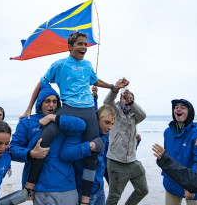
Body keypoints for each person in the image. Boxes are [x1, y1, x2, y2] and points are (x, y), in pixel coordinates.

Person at [21, 31, 129, 204]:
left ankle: (85, 199)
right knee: (43, 140)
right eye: (80, 44)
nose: (84, 47)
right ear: (70, 46)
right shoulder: (59, 65)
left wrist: (112, 86)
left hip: (87, 110)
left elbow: (94, 80)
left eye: (85, 45)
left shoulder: (87, 65)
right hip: (69, 108)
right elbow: (41, 84)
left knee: (93, 153)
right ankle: (30, 185)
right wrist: (28, 108)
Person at [0, 82, 87, 205]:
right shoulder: (27, 122)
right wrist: (30, 154)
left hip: (66, 186)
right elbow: (12, 149)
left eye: (55, 101)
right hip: (39, 187)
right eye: (47, 101)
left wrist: (53, 118)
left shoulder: (64, 120)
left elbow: (81, 125)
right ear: (40, 103)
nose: (51, 105)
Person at [60, 103, 117, 205]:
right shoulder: (81, 132)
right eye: (107, 122)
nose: (110, 127)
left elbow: (104, 162)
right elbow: (65, 154)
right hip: (83, 191)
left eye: (112, 123)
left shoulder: (105, 136)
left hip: (99, 189)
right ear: (97, 119)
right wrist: (90, 146)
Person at [159, 99, 197, 205]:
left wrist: (192, 185)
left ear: (189, 112)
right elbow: (167, 156)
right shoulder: (168, 132)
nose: (178, 109)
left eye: (183, 107)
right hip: (172, 183)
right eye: (176, 107)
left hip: (192, 185)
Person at [104, 86, 148, 205]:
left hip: (132, 161)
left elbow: (143, 115)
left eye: (130, 98)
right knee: (114, 197)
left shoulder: (135, 116)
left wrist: (131, 100)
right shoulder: (115, 112)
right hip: (116, 161)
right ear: (120, 100)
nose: (127, 100)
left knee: (143, 190)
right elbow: (107, 102)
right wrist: (115, 90)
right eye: (124, 98)